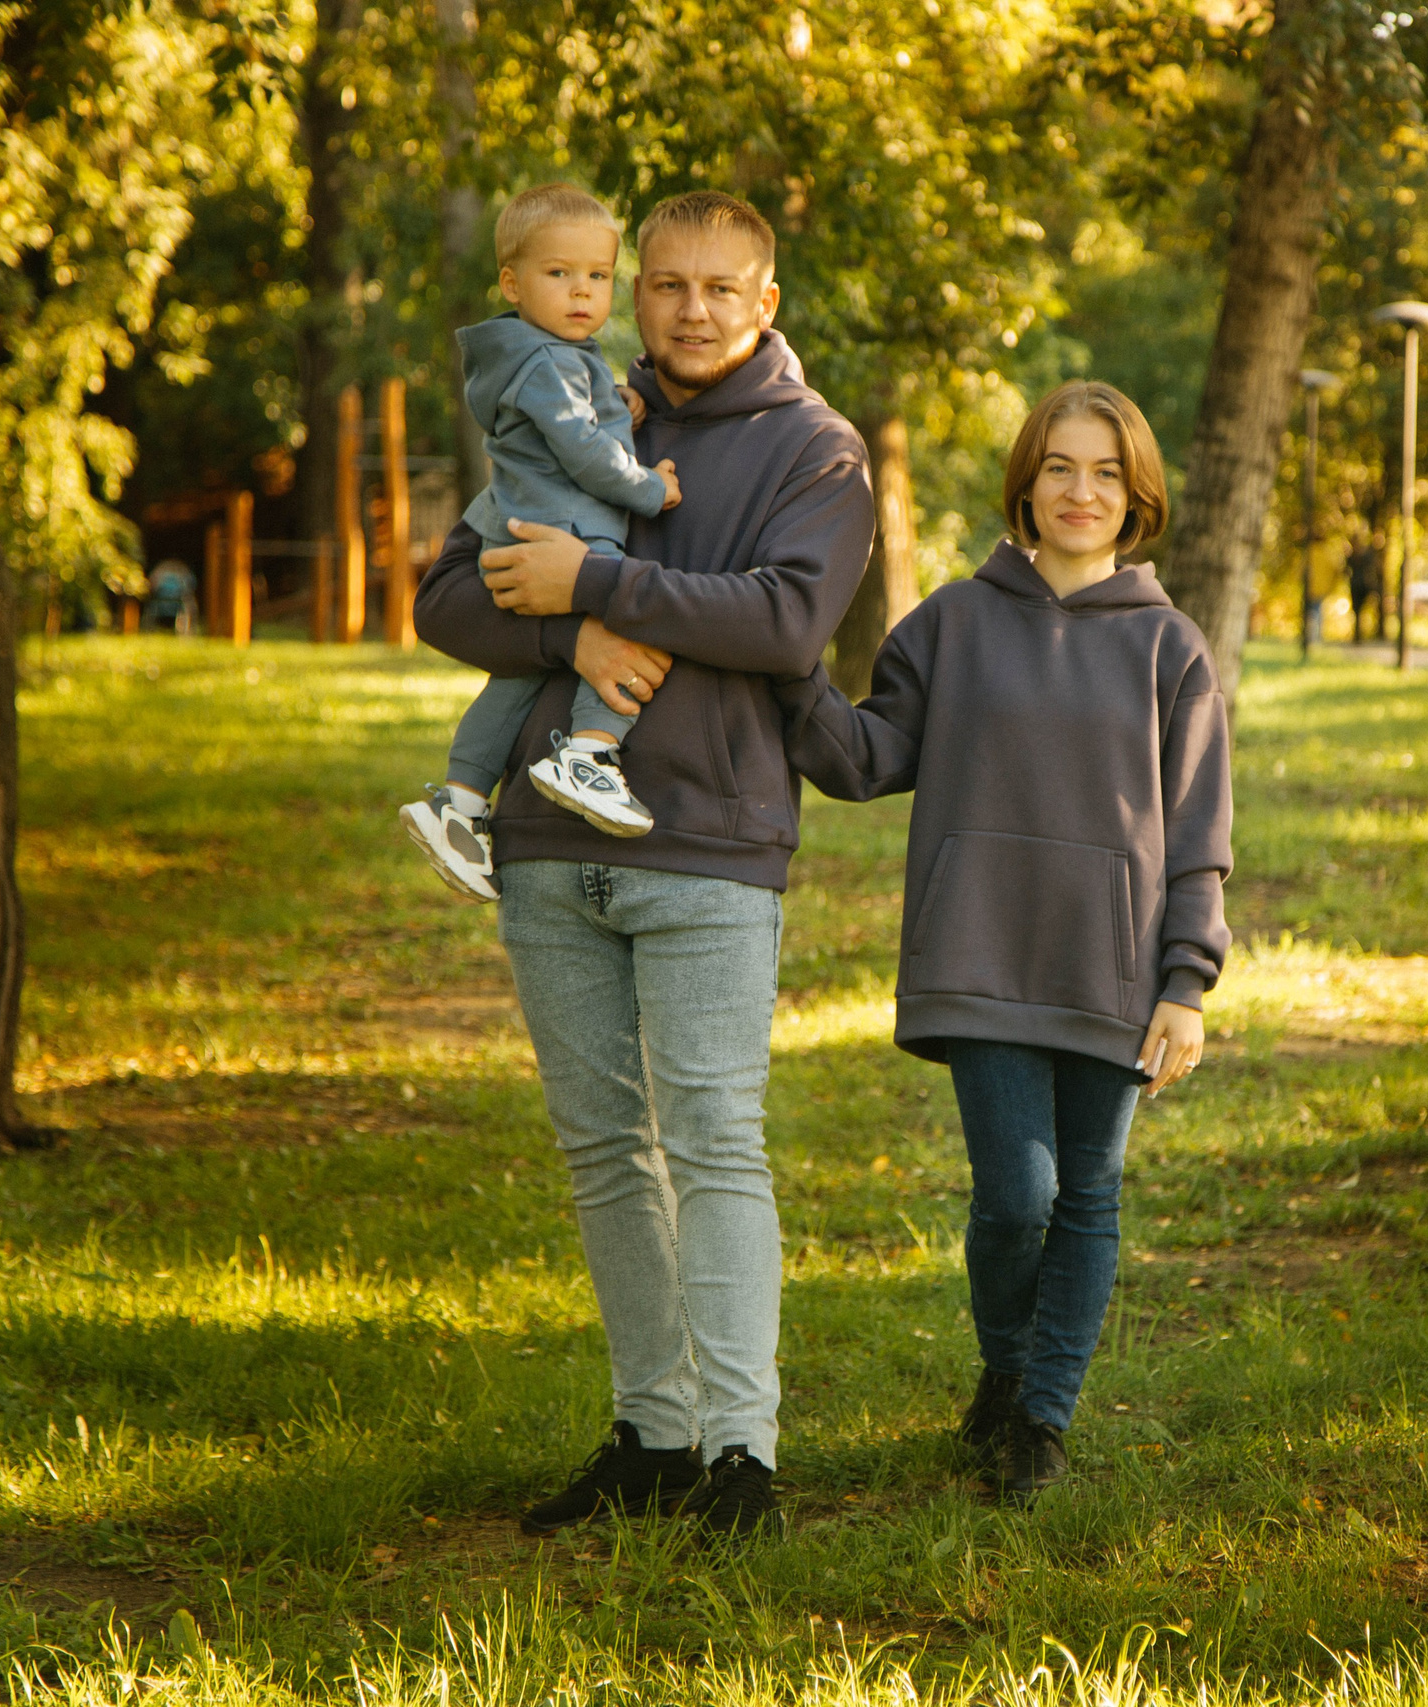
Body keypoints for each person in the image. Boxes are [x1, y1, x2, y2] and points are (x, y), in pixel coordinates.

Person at [411, 189, 875, 1543]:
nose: (688, 308)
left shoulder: (818, 452)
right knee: (607, 1151)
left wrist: (594, 586)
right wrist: (568, 640)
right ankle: (652, 1433)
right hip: (551, 839)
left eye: (719, 287)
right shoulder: (572, 399)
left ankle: (744, 1453)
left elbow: (790, 623)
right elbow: (449, 596)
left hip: (712, 845)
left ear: (764, 301)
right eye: (664, 283)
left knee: (718, 1145)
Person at [773, 382, 1233, 1505]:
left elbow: (1199, 832)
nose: (1083, 492)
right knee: (1014, 1199)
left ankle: (1038, 1418)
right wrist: (781, 665)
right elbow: (867, 758)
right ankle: (1003, 1371)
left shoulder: (1170, 647)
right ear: (1026, 482)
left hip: (1112, 968)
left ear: (1138, 497)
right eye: (1062, 467)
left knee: (1090, 1198)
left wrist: (1187, 981)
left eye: (1107, 474)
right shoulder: (952, 621)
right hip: (978, 951)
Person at [398, 184, 686, 902]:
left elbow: (565, 421)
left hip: (521, 519)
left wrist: (615, 402)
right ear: (511, 282)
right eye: (559, 274)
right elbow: (584, 453)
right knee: (626, 617)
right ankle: (589, 753)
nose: (582, 292)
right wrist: (651, 486)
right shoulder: (549, 363)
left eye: (597, 276)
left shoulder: (538, 356)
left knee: (517, 679)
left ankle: (459, 801)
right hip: (570, 530)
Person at [1346, 536, 1383, 643]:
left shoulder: (1365, 555)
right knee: (1357, 610)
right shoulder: (1353, 557)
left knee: (1366, 608)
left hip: (1364, 585)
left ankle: (1372, 631)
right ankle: (1358, 635)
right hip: (1357, 585)